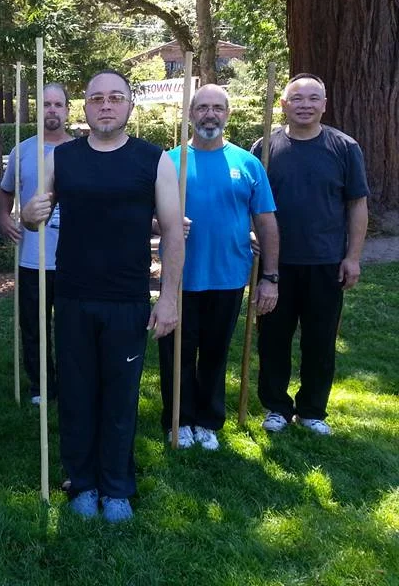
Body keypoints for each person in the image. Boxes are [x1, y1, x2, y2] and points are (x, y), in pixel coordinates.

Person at [22, 69, 184, 523]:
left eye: (116, 98)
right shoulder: (64, 158)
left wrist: (168, 298)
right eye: (97, 99)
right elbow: (35, 211)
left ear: (130, 105)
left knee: (120, 396)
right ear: (86, 107)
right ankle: (82, 481)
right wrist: (32, 212)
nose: (106, 105)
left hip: (128, 298)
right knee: (76, 393)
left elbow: (173, 232)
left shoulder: (154, 160)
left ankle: (116, 486)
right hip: (72, 295)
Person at [158, 84, 279, 451]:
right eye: (202, 108)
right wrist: (164, 221)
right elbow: (147, 214)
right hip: (180, 277)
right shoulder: (169, 161)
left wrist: (270, 276)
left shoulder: (248, 163)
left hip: (228, 276)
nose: (210, 114)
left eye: (218, 108)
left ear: (228, 114)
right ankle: (178, 419)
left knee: (214, 351)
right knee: (177, 351)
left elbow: (266, 221)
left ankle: (208, 420)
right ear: (191, 113)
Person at [255, 73, 368, 436]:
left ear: (324, 104)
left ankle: (312, 411)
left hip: (326, 262)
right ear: (284, 105)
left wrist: (353, 256)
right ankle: (276, 407)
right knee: (273, 339)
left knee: (320, 340)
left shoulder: (344, 147)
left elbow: (357, 204)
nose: (305, 105)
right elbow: (249, 202)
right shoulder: (265, 149)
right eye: (297, 98)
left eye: (313, 98)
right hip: (276, 265)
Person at [0, 83, 73, 404]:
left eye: (58, 104)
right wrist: (4, 219)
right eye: (46, 104)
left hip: (73, 260)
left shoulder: (81, 152)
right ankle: (42, 386)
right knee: (34, 328)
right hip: (32, 258)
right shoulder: (22, 151)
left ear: (68, 110)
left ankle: (72, 383)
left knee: (72, 329)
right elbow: (4, 195)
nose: (52, 110)